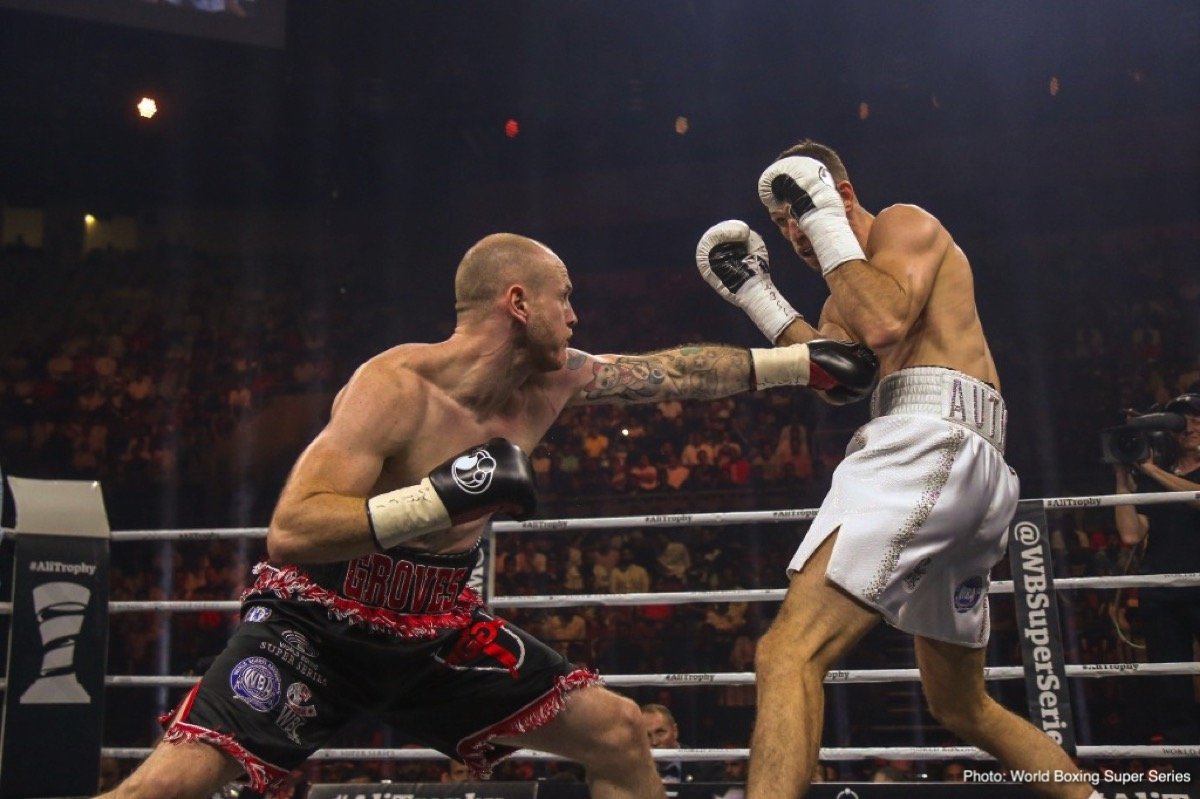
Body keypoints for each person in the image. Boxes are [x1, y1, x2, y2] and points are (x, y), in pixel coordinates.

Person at [101, 232, 877, 799]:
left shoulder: (556, 380)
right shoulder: (395, 385)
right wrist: (437, 498)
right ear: (518, 302)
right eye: (564, 296)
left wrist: (795, 365)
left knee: (614, 733)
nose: (575, 315)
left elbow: (670, 371)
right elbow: (294, 528)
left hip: (439, 627)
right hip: (317, 627)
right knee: (171, 783)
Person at [694, 139, 1100, 798]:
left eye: (799, 210)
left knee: (786, 651)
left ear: (837, 193)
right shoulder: (842, 293)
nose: (794, 231)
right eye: (784, 223)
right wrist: (760, 299)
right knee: (962, 706)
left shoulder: (903, 225)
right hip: (964, 461)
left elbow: (883, 323)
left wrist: (827, 222)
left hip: (929, 440)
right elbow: (839, 378)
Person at [1113, 392, 1200, 745]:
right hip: (1162, 586)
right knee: (1170, 677)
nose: (1188, 427)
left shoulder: (1158, 473)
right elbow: (1131, 533)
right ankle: (1187, 761)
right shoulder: (1157, 473)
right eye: (1180, 420)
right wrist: (1122, 477)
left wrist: (1149, 469)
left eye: (1196, 418)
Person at [641, 703, 723, 785]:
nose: (654, 742)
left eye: (660, 732)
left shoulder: (707, 768)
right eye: (646, 735)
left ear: (675, 731)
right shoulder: (631, 772)